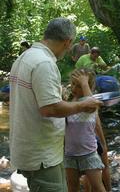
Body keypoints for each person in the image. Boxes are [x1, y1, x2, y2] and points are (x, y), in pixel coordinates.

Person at [9, 17, 103, 192]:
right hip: (42, 156)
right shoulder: (44, 63)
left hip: (27, 148)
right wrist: (83, 105)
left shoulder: (25, 57)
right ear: (68, 42)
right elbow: (50, 108)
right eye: (70, 45)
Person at [64, 69, 110, 192]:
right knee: (72, 187)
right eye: (73, 84)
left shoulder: (88, 103)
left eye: (79, 86)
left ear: (88, 87)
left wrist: (84, 83)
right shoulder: (68, 103)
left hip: (89, 154)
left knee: (98, 187)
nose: (74, 88)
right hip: (69, 155)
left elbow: (93, 106)